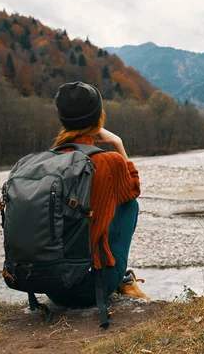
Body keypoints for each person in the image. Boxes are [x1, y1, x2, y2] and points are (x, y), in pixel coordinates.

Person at [46, 81, 145, 307]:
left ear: (62, 120)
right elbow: (134, 189)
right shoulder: (108, 162)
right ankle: (119, 277)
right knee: (129, 204)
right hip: (91, 287)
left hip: (49, 286)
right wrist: (118, 145)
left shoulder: (47, 161)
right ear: (98, 118)